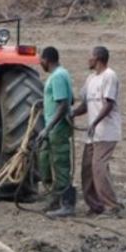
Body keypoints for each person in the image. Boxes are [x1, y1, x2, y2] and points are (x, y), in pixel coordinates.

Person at [72, 46, 122, 215]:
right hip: (93, 134)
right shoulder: (91, 78)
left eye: (90, 57)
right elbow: (85, 104)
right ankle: (95, 205)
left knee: (98, 168)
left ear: (98, 59)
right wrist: (72, 114)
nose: (88, 60)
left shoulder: (109, 76)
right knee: (87, 169)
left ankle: (111, 206)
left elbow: (109, 104)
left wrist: (95, 122)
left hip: (106, 132)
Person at [35, 47, 76, 218]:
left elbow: (64, 104)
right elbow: (69, 99)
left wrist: (48, 127)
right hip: (53, 126)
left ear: (46, 59)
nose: (40, 63)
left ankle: (67, 205)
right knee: (45, 161)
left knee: (60, 165)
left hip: (57, 128)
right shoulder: (59, 74)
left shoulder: (58, 76)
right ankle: (55, 199)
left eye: (41, 60)